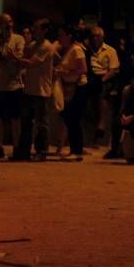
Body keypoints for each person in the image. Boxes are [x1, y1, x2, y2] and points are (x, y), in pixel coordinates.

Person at [17, 19, 54, 161]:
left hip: (41, 91)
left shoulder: (46, 46)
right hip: (29, 89)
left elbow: (32, 63)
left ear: (45, 30)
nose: (34, 30)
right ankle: (23, 152)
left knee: (41, 123)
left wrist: (14, 58)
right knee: (26, 122)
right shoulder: (32, 44)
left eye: (37, 28)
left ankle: (42, 151)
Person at [0, 13, 25, 160]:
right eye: (5, 22)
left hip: (14, 85)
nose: (9, 24)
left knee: (15, 118)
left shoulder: (19, 39)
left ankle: (16, 147)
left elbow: (19, 59)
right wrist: (7, 58)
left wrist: (8, 58)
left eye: (10, 21)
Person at [54, 23, 89, 161]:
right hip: (69, 87)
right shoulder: (67, 50)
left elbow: (84, 69)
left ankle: (78, 150)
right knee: (69, 119)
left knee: (73, 119)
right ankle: (74, 149)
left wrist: (65, 71)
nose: (59, 38)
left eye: (61, 35)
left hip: (78, 87)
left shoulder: (76, 49)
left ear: (69, 36)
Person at [88, 27, 120, 154]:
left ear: (102, 37)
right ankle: (91, 135)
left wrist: (102, 80)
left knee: (102, 96)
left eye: (97, 36)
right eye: (93, 36)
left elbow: (114, 70)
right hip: (90, 77)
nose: (95, 38)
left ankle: (101, 126)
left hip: (103, 78)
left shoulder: (110, 50)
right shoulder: (88, 50)